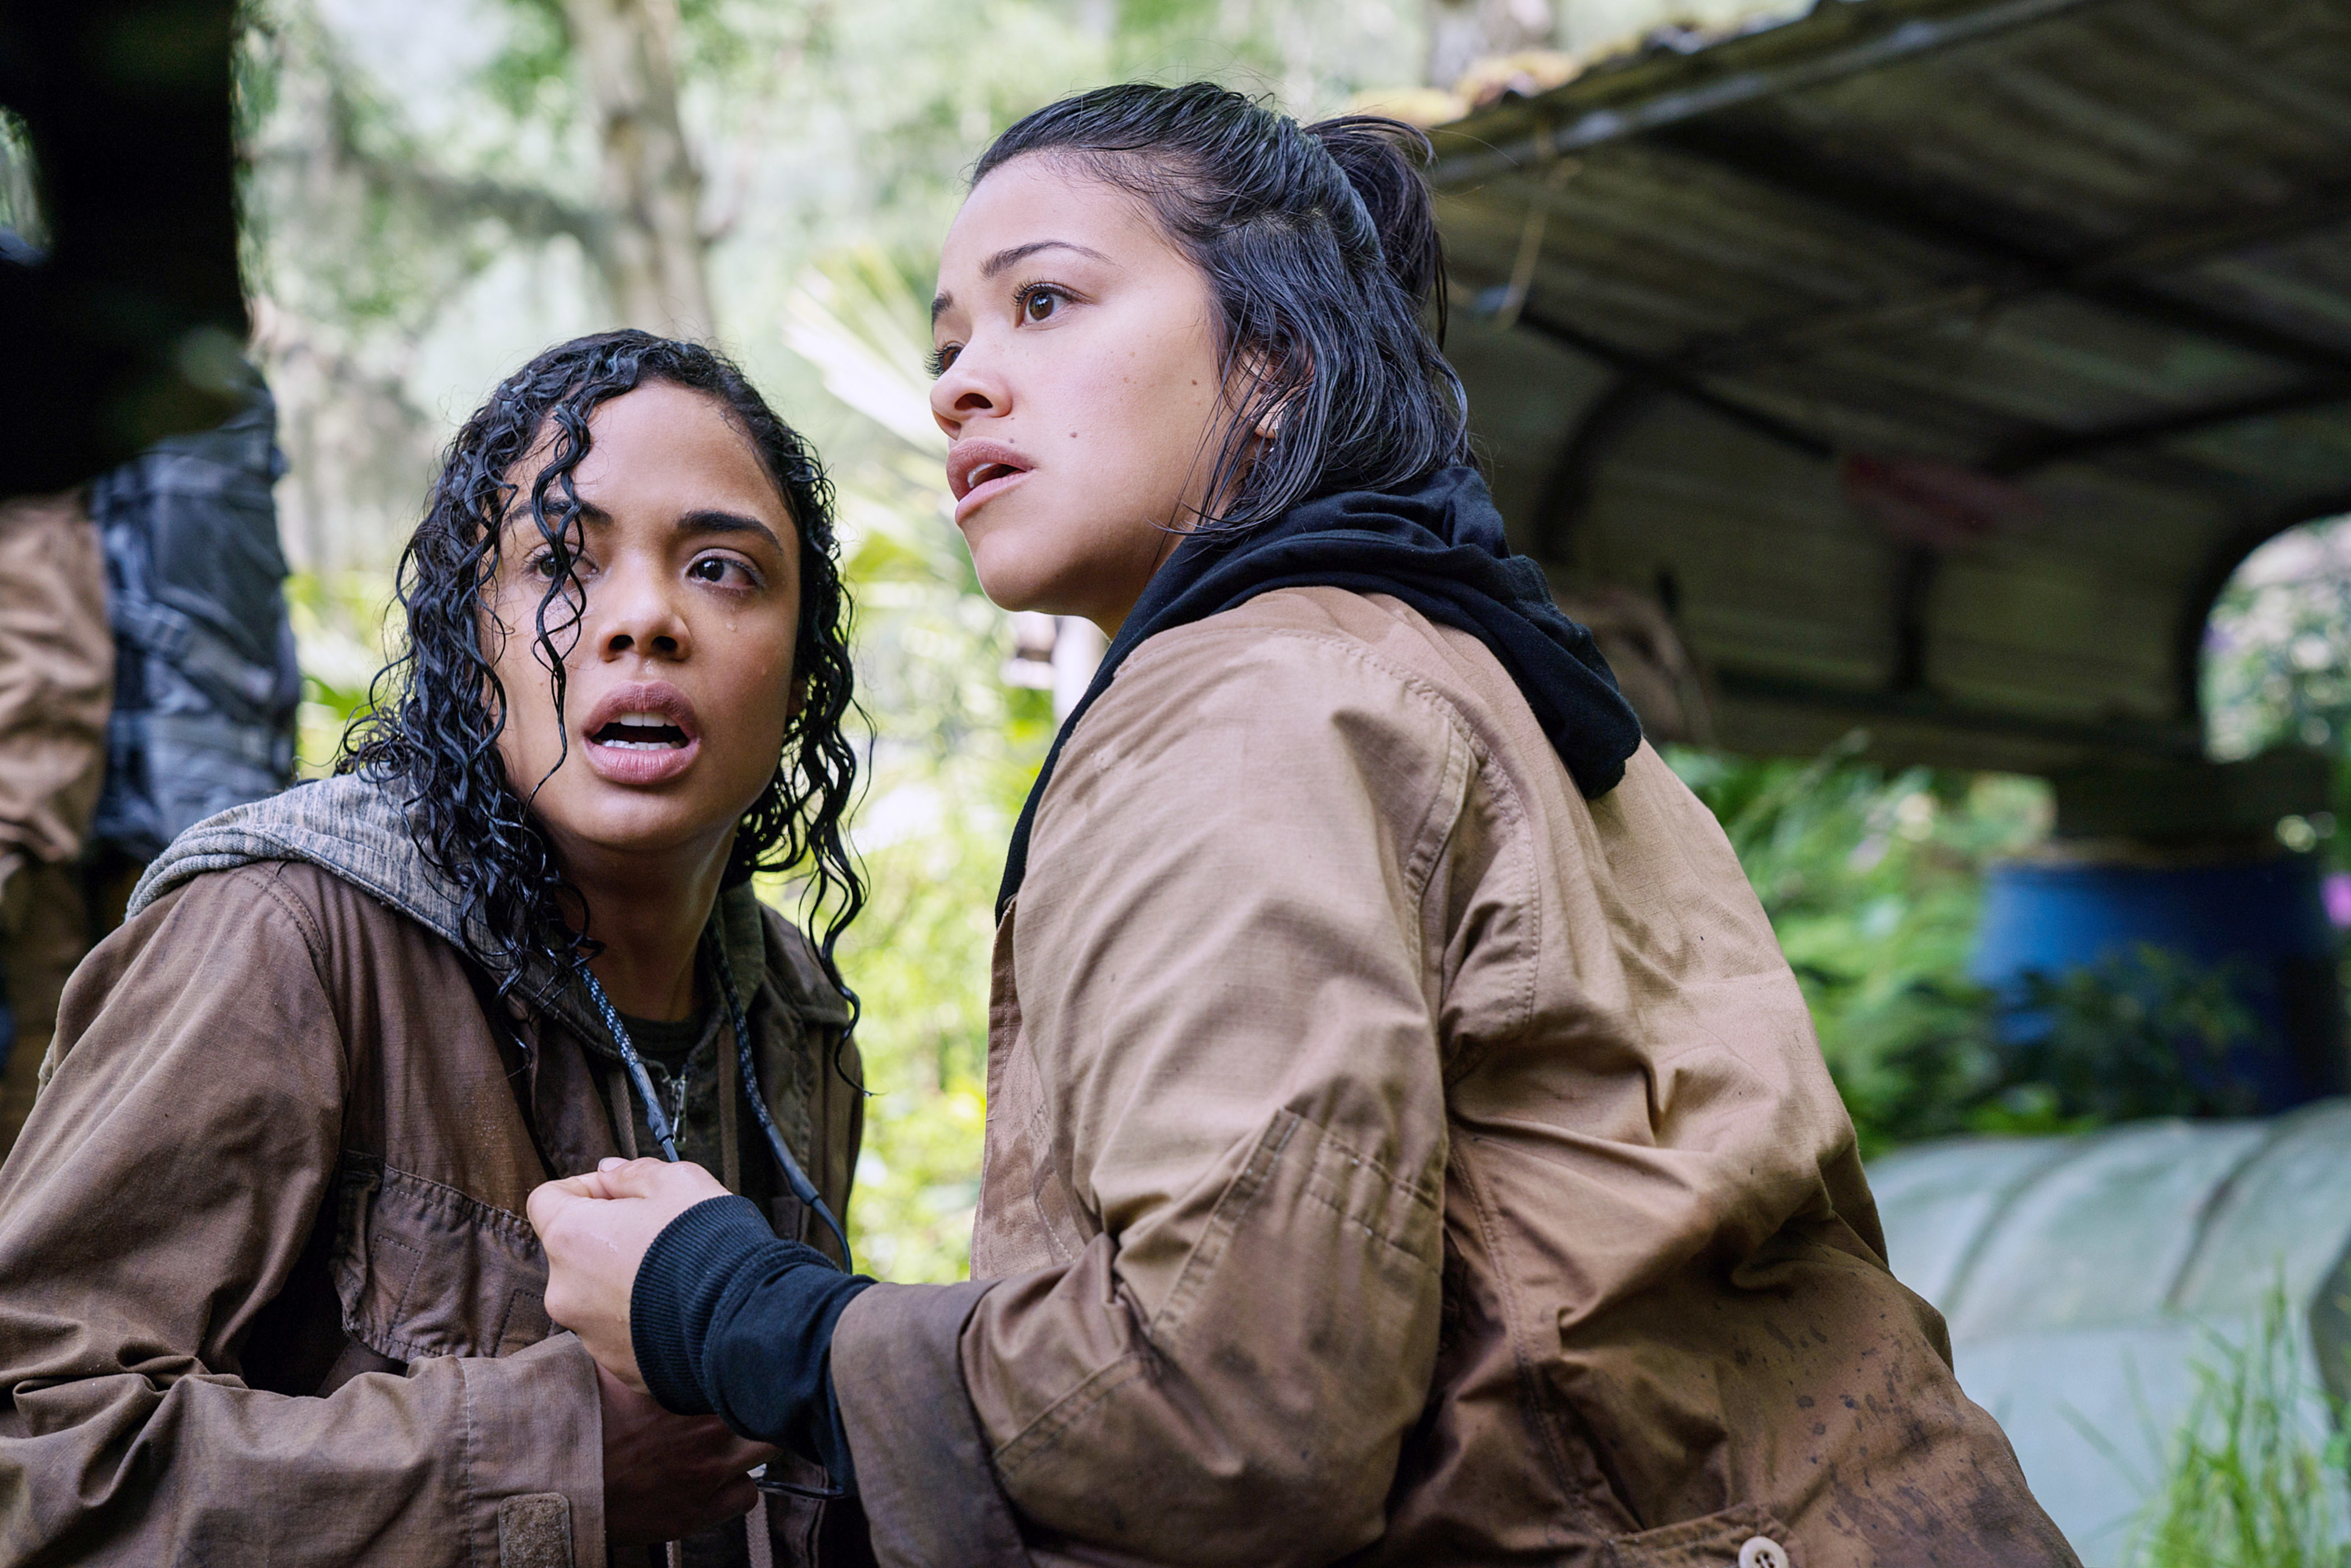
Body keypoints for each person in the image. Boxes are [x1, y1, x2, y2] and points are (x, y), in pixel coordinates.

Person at [530, 86, 2079, 1567]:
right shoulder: (1468, 666)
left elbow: (1229, 1419)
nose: (959, 384)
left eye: (1043, 302)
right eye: (949, 345)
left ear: (1276, 357)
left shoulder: (1250, 700)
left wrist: (722, 1302)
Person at [0, 331, 870, 1568]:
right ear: (473, 637)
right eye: (560, 561)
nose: (643, 619)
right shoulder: (285, 934)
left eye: (721, 568)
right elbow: (37, 1451)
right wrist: (550, 1458)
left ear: (800, 663)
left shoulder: (791, 1010)